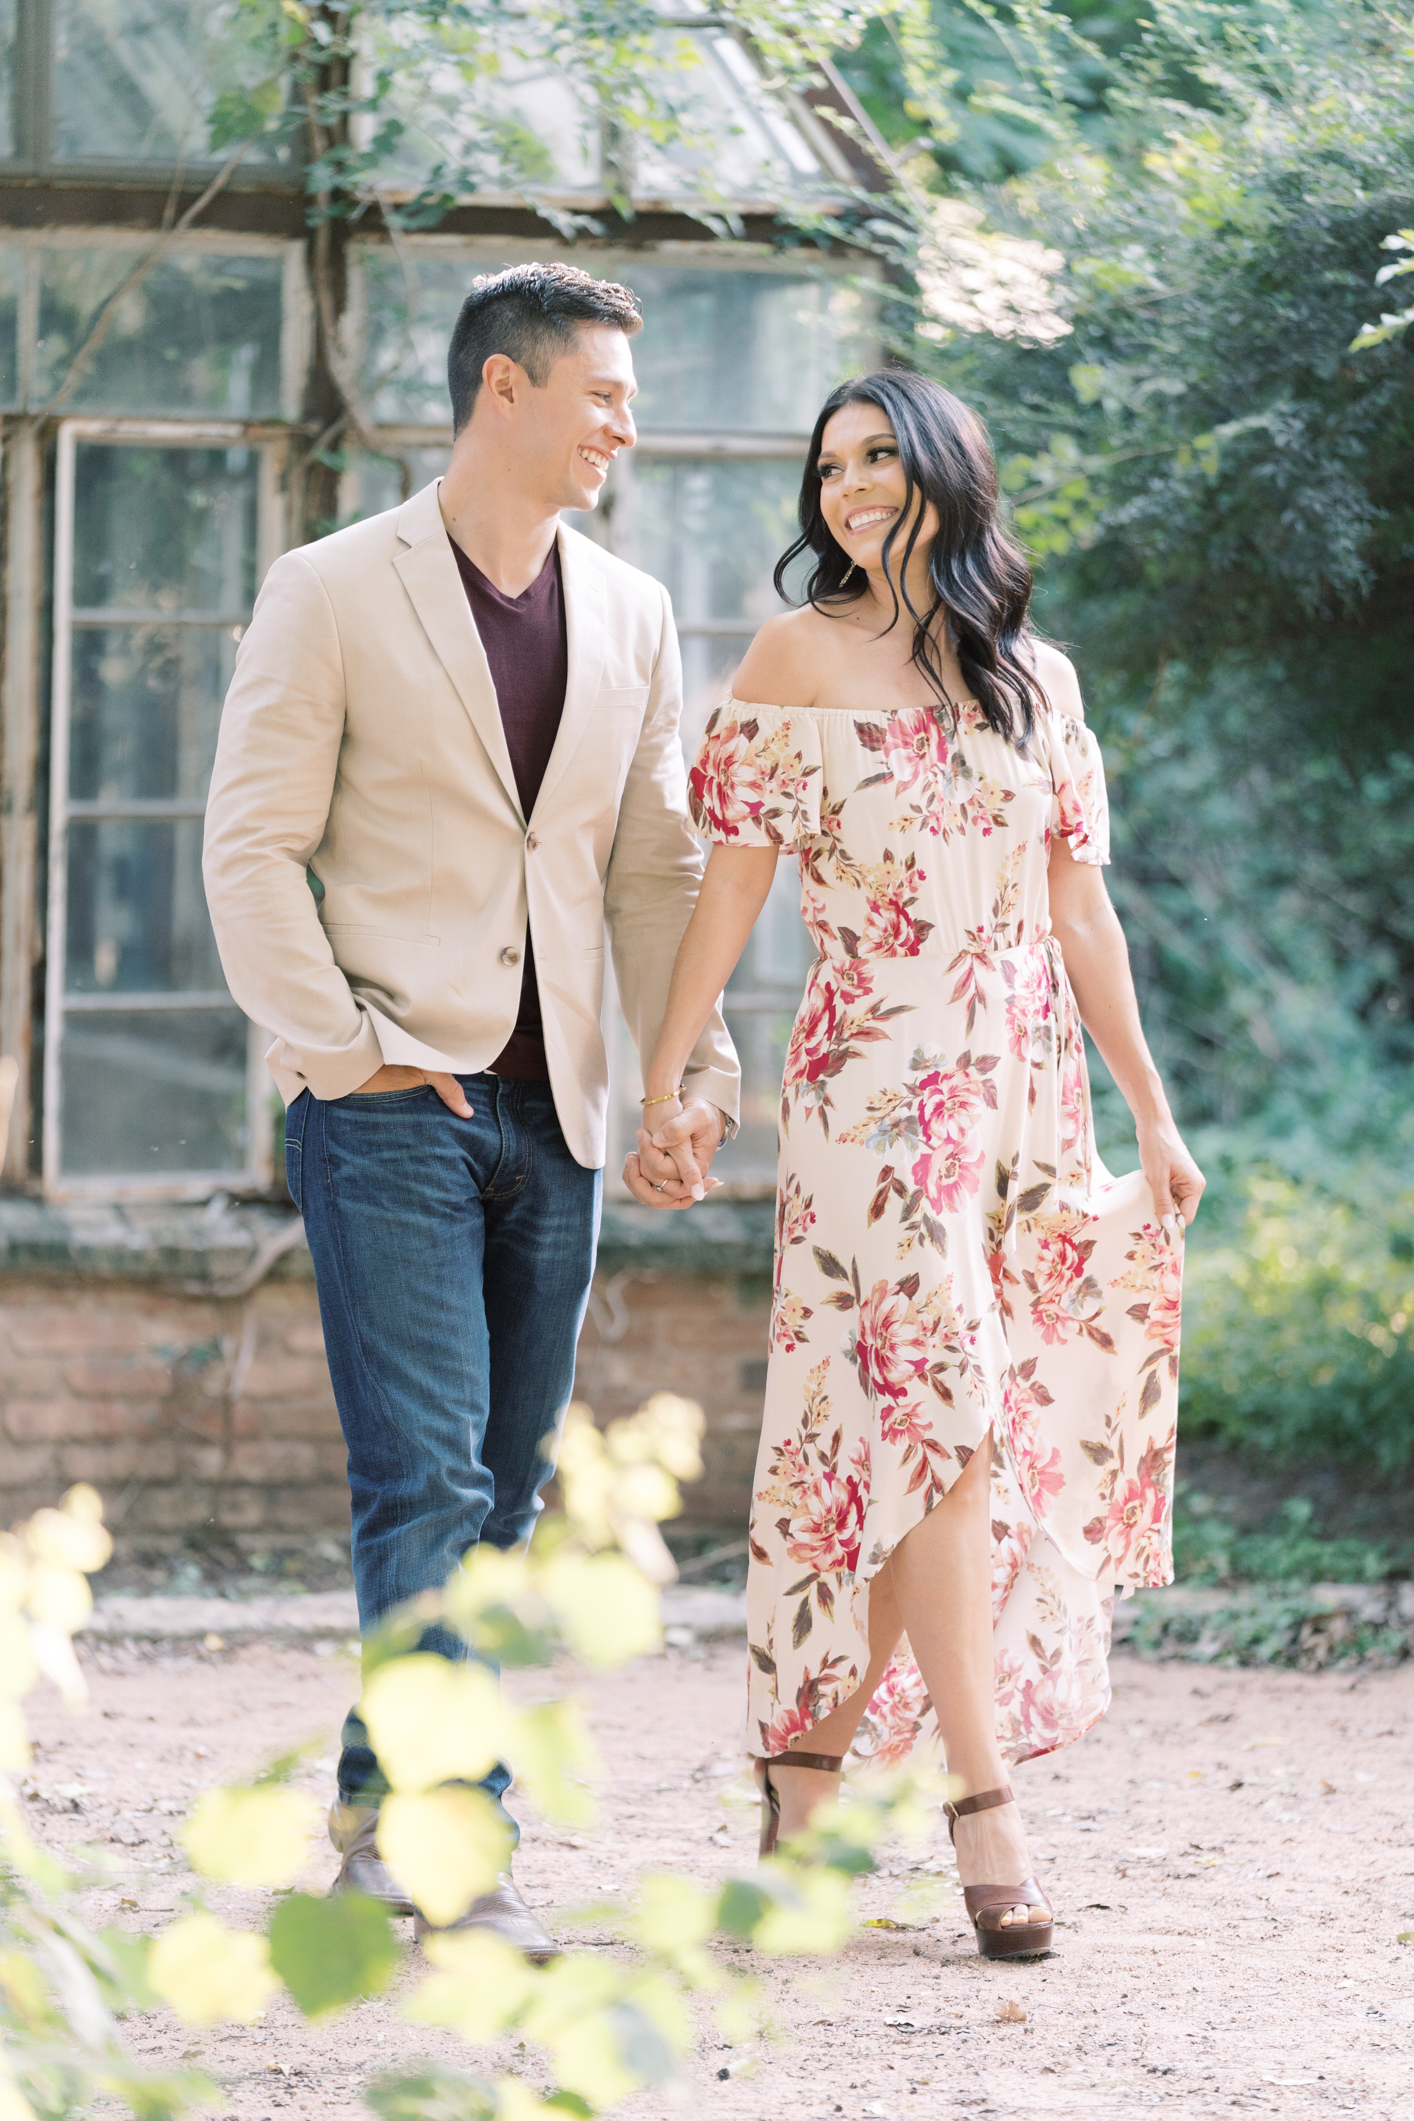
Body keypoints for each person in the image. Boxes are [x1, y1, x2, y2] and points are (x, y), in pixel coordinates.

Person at [203, 262, 739, 1959]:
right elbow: (251, 845)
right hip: (389, 1109)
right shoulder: (332, 587)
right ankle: (456, 1851)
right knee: (426, 1476)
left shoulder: (634, 611)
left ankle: (370, 1816)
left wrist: (685, 1064)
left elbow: (654, 869)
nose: (621, 425)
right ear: (500, 390)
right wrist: (343, 1049)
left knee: (500, 1497)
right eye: (597, 392)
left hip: (556, 1115)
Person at [637, 367, 1204, 1959]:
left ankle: (804, 1779)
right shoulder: (793, 656)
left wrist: (1150, 1112)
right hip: (873, 1090)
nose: (853, 484)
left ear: (948, 470)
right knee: (941, 1426)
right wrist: (677, 1068)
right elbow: (732, 890)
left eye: (881, 455)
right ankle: (982, 1809)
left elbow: (1080, 911)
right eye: (830, 465)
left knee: (908, 1443)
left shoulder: (1038, 678)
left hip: (1021, 1094)